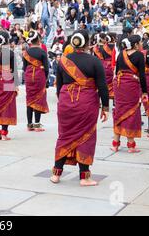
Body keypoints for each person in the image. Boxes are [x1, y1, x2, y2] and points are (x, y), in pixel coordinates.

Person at [51, 30, 109, 186]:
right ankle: (84, 177)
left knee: (64, 135)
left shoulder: (63, 60)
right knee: (86, 136)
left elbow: (59, 85)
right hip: (86, 102)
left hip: (65, 101)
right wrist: (106, 107)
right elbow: (102, 86)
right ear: (88, 43)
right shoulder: (94, 61)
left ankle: (56, 173)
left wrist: (63, 102)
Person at [112, 35, 148, 153]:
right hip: (131, 86)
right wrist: (144, 91)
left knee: (119, 111)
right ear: (136, 44)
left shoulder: (120, 54)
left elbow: (117, 72)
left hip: (119, 85)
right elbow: (142, 75)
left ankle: (115, 144)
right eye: (140, 42)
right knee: (131, 112)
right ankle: (131, 145)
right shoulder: (139, 55)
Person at [0, 31, 19, 141]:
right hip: (7, 80)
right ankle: (4, 133)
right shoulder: (10, 53)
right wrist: (16, 85)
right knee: (7, 106)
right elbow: (14, 70)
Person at [22, 31, 49, 132]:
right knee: (38, 99)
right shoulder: (42, 52)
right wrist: (45, 78)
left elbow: (24, 68)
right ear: (38, 39)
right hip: (39, 77)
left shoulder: (26, 52)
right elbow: (46, 68)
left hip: (29, 77)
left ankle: (29, 124)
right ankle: (37, 124)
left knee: (29, 99)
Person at [92, 34, 115, 100]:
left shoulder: (97, 47)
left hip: (102, 64)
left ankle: (99, 99)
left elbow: (95, 57)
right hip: (111, 65)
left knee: (101, 82)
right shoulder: (113, 46)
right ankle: (113, 101)